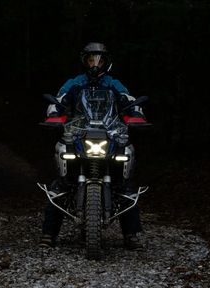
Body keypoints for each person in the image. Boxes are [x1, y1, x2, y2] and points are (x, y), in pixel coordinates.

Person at [39, 42, 147, 249]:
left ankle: (131, 235)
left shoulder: (114, 84)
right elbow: (59, 100)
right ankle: (48, 234)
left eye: (99, 59)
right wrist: (54, 114)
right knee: (61, 184)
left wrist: (136, 114)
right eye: (90, 59)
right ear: (84, 61)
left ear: (106, 62)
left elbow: (130, 100)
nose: (94, 64)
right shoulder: (75, 83)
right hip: (79, 133)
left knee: (125, 186)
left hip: (110, 134)